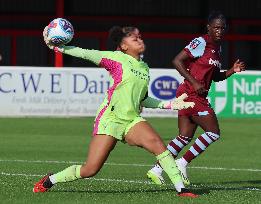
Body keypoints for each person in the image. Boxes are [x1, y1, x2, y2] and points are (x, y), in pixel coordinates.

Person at [33, 25, 198, 198]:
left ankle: (182, 190)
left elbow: (143, 99)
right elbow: (85, 53)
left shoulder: (144, 67)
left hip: (132, 120)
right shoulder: (115, 58)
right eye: (134, 39)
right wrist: (58, 47)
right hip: (110, 119)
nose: (140, 40)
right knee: (90, 169)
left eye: (140, 37)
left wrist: (171, 104)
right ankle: (50, 180)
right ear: (124, 46)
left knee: (158, 144)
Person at [147, 11, 246, 186]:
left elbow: (215, 76)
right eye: (215, 27)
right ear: (208, 27)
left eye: (222, 28)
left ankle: (156, 169)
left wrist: (232, 70)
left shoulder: (217, 49)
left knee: (184, 137)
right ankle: (182, 163)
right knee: (213, 132)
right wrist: (194, 82)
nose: (219, 31)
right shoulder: (201, 42)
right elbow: (177, 60)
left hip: (193, 93)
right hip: (191, 94)